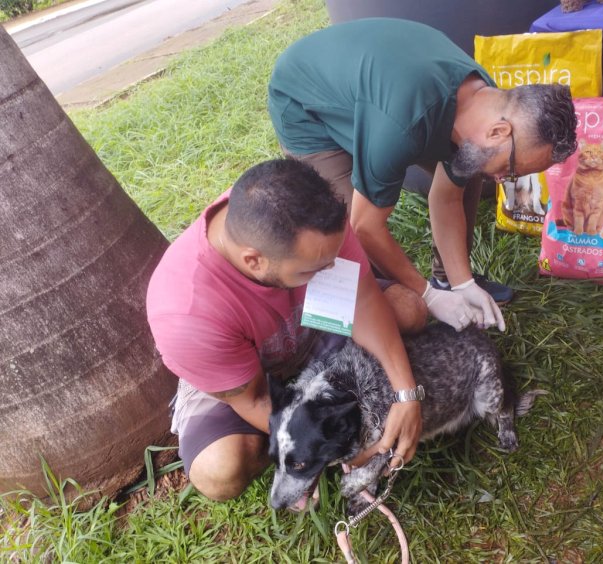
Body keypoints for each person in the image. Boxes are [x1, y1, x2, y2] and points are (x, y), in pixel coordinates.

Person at [268, 18, 578, 333]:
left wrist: (462, 284)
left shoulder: (485, 100)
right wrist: (424, 295)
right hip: (305, 102)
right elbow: (365, 226)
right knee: (343, 235)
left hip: (371, 91)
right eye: (509, 168)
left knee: (470, 170)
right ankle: (368, 318)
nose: (502, 179)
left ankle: (448, 279)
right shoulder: (403, 124)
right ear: (499, 132)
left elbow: (446, 197)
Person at [146, 159, 426, 501]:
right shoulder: (187, 315)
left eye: (332, 259)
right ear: (254, 261)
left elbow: (362, 299)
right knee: (219, 471)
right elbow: (254, 399)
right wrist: (314, 449)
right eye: (315, 269)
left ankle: (318, 391)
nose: (333, 268)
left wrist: (406, 393)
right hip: (245, 375)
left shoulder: (311, 219)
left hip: (310, 323)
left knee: (409, 311)